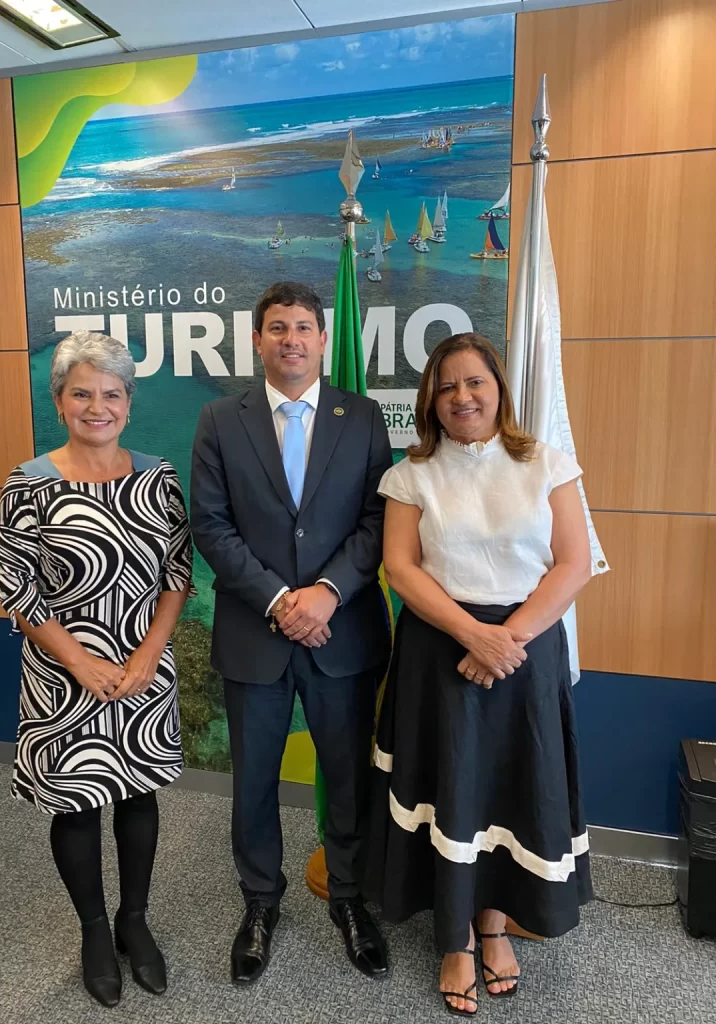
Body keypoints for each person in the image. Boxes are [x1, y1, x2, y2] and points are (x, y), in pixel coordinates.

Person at [364, 333, 593, 1017]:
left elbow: (573, 564)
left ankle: (493, 926)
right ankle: (456, 940)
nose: (461, 397)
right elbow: (401, 568)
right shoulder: (411, 474)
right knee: (451, 791)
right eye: (446, 386)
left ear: (499, 389)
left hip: (525, 651)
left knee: (507, 790)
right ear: (430, 399)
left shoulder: (548, 463)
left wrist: (505, 641)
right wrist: (473, 636)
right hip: (440, 650)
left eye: (475, 383)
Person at [190, 281, 392, 985]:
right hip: (257, 635)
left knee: (349, 776)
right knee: (253, 782)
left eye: (304, 326)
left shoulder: (362, 416)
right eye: (278, 327)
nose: (292, 339)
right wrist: (281, 600)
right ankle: (259, 903)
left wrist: (327, 593)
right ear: (257, 340)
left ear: (323, 339)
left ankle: (350, 898)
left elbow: (379, 520)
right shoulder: (221, 419)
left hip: (343, 634)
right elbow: (210, 525)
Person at [0, 332, 195, 1008]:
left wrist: (148, 655)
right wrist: (80, 662)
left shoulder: (158, 477)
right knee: (76, 807)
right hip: (64, 676)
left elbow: (177, 575)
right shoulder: (29, 483)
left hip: (141, 671)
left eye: (111, 394)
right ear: (59, 402)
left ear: (129, 404)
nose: (97, 406)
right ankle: (94, 931)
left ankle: (134, 920)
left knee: (138, 796)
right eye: (82, 393)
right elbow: (16, 586)